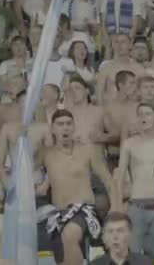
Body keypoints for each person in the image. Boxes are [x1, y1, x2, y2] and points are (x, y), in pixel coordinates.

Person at [39, 110, 114, 265]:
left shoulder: (87, 150)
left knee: (69, 235)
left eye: (68, 124)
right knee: (62, 257)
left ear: (74, 127)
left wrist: (116, 206)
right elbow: (21, 167)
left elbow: (108, 179)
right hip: (59, 214)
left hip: (84, 210)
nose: (65, 128)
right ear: (52, 129)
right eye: (60, 124)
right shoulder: (46, 154)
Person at [116, 103, 154, 264]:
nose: (144, 117)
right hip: (136, 206)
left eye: (148, 114)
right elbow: (120, 175)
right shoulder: (129, 143)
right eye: (141, 114)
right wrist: (116, 204)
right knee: (135, 257)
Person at [96, 33, 145, 105]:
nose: (119, 45)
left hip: (132, 110)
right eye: (116, 42)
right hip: (111, 111)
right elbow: (99, 94)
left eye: (123, 42)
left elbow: (143, 94)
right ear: (112, 45)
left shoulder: (138, 68)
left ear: (130, 45)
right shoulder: (105, 68)